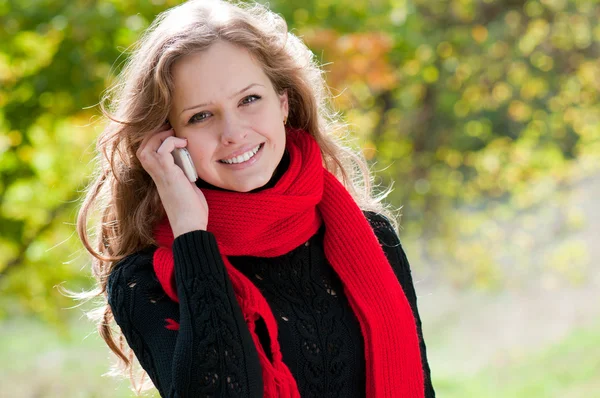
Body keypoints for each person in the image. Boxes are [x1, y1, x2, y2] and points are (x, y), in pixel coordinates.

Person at [76, 0, 435, 396]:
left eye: (249, 100)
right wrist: (192, 236)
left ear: (283, 103)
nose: (233, 132)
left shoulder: (371, 236)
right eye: (200, 116)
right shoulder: (144, 279)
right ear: (167, 139)